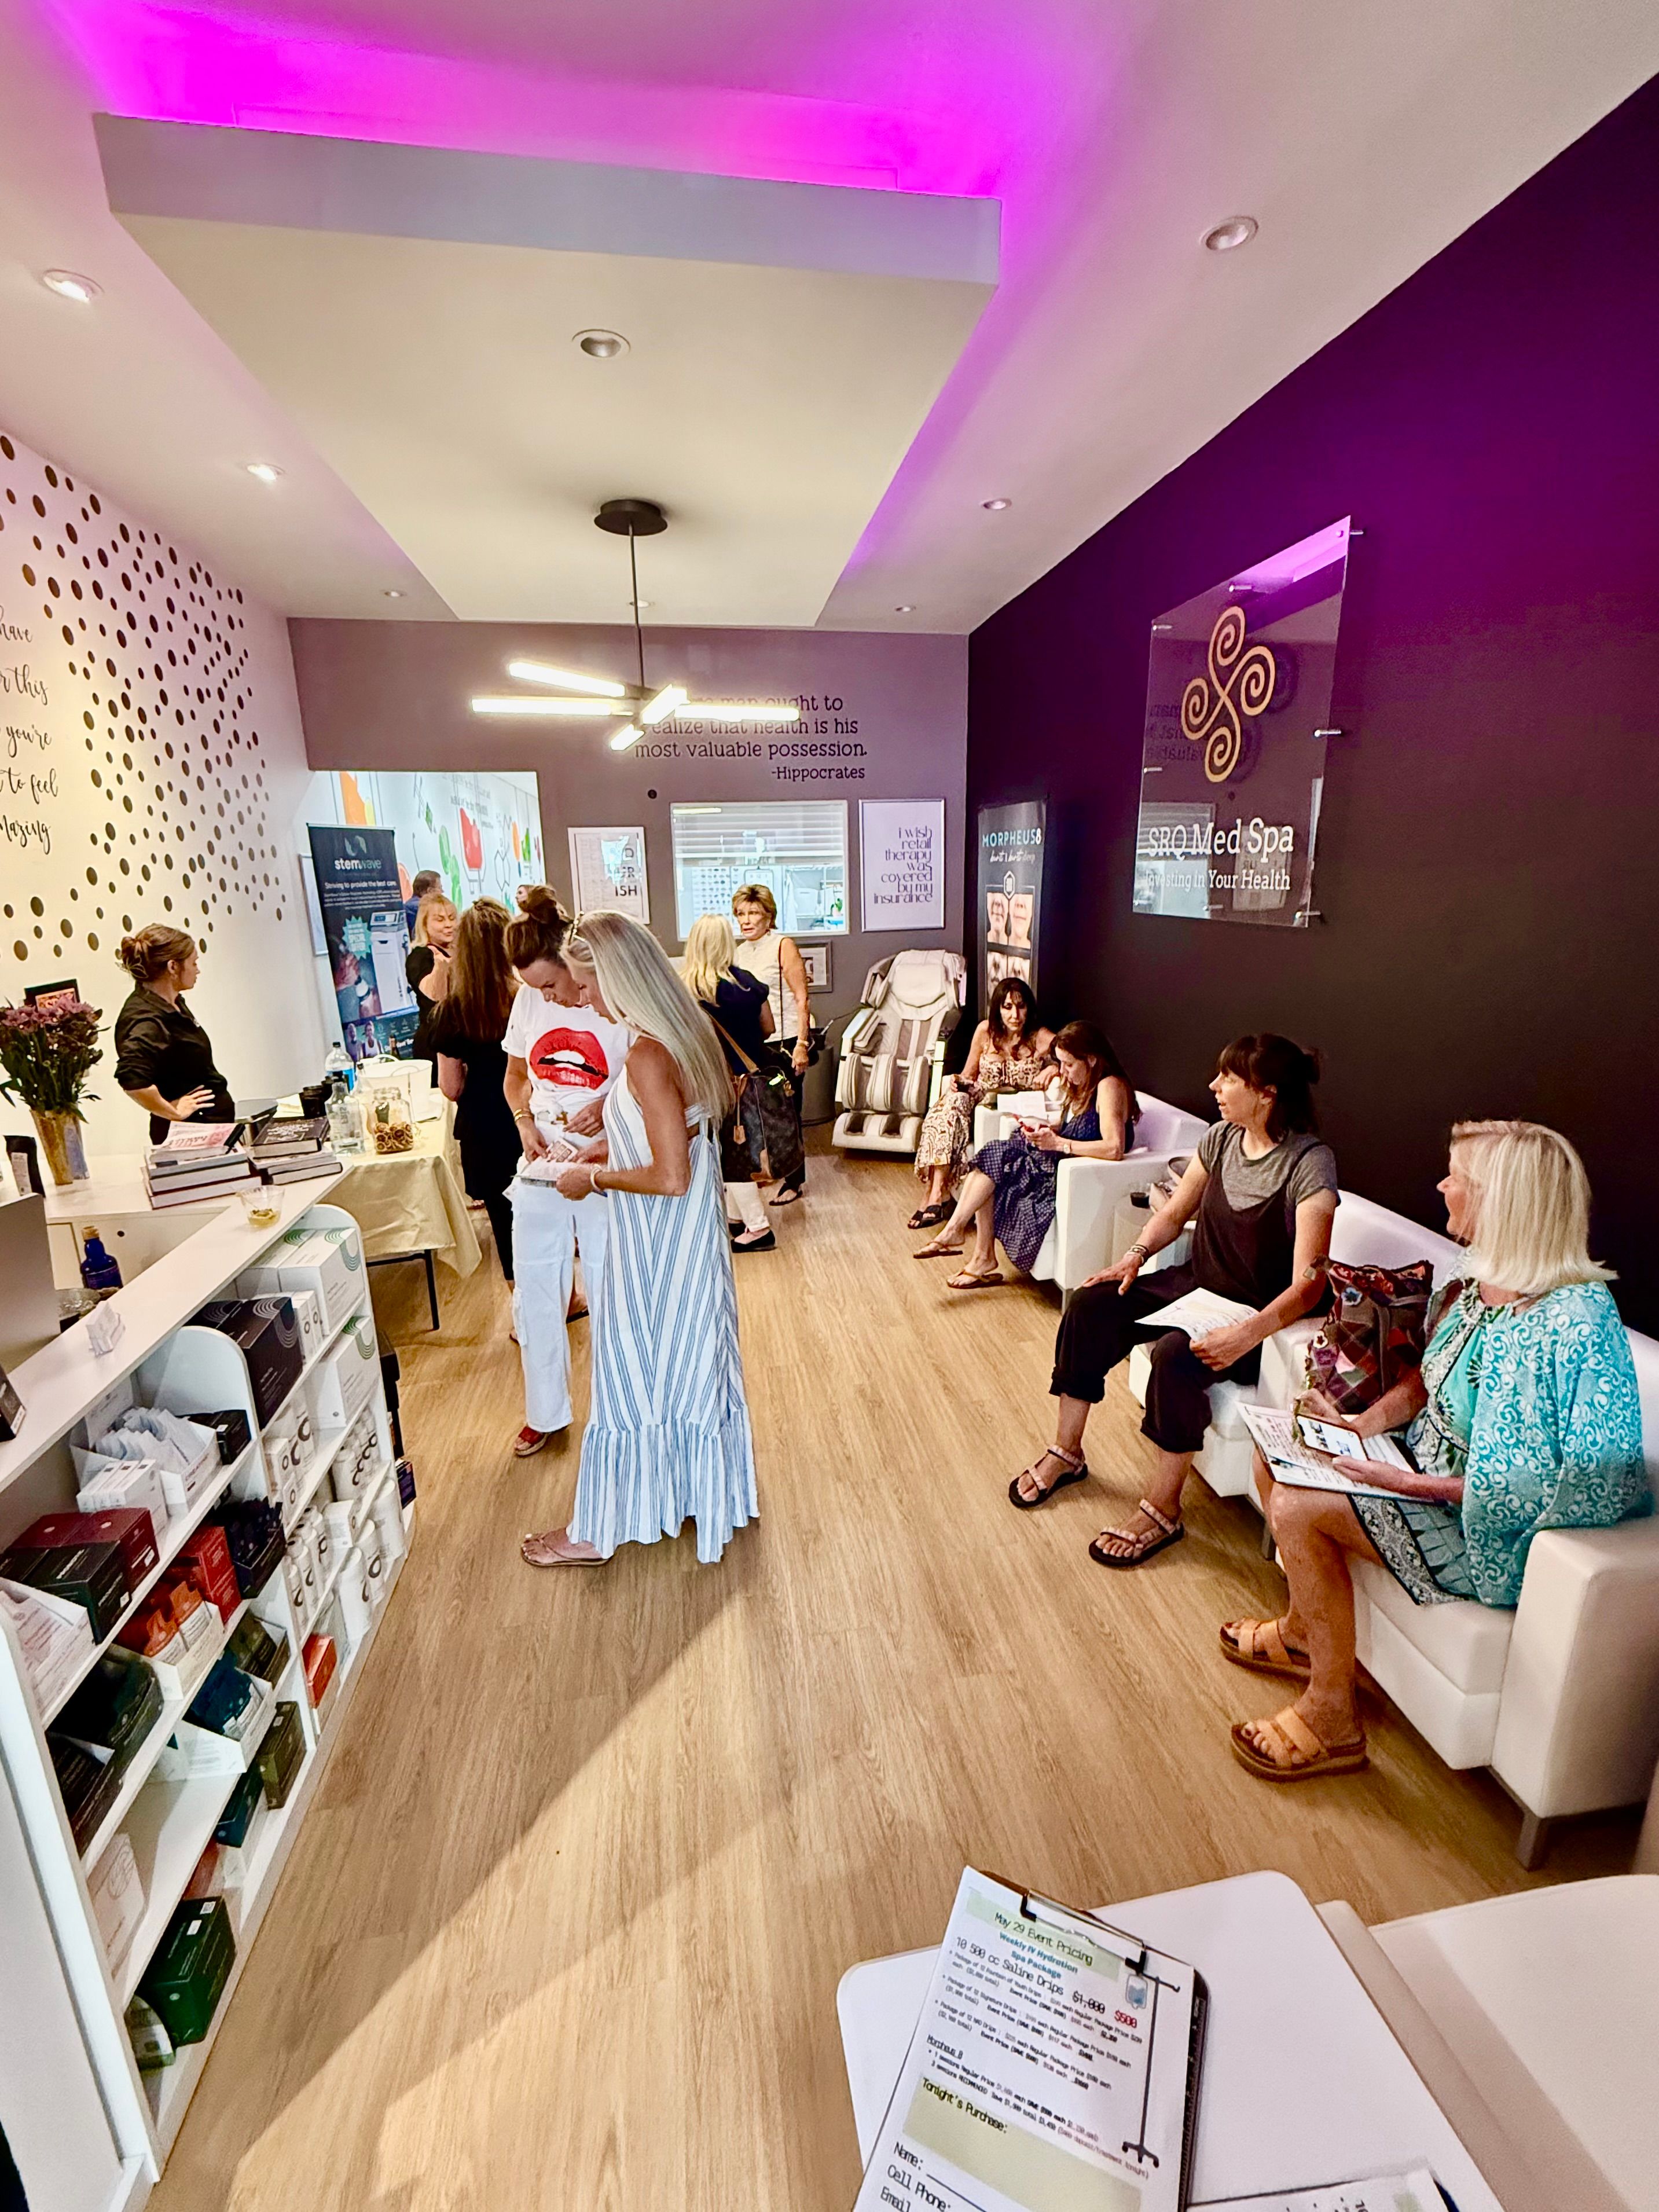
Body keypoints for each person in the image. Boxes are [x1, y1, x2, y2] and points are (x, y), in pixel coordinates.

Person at [1224, 1120, 1650, 1781]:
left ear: (1502, 1200)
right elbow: (1426, 1377)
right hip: (1415, 1464)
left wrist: (1407, 1486)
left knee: (1300, 1507)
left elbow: (1588, 1481)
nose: (1442, 1185)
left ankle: (1333, 1716)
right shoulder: (1478, 1273)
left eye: (1458, 1178)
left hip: (1481, 1525)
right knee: (1276, 1448)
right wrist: (1361, 1423)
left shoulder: (1579, 1322)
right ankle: (1303, 1630)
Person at [1007, 1034, 1338, 1569]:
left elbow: (1310, 1284)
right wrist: (1134, 1255)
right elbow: (1174, 1212)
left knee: (1175, 1356)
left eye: (1229, 1078)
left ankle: (1163, 1509)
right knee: (1091, 1304)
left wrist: (1248, 1332)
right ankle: (1067, 1453)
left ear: (1268, 1094)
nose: (1215, 1086)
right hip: (1196, 1285)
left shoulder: (1310, 1163)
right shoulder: (1223, 1138)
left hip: (1254, 1316)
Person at [520, 911, 758, 1569]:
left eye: (585, 985)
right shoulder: (672, 1036)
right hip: (683, 1248)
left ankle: (598, 1530)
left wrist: (590, 1175)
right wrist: (607, 1132)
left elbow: (670, 1174)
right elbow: (675, 1133)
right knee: (679, 1368)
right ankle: (686, 1493)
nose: (583, 999)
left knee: (627, 1376)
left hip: (654, 1245)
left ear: (614, 975)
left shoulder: (649, 1051)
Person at [502, 887, 633, 1457]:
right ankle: (545, 1411)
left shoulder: (613, 1001)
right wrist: (524, 1120)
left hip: (607, 1167)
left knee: (610, 1288)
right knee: (535, 1290)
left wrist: (606, 1111)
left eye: (552, 984)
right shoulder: (529, 1002)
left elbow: (650, 1084)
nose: (548, 997)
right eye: (535, 990)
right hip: (541, 1169)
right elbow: (513, 1078)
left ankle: (616, 1409)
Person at [913, 1020, 1135, 1290]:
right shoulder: (1084, 1085)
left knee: (997, 1159)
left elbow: (1114, 1148)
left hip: (1067, 1172)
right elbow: (1078, 1129)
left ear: (1090, 1059)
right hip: (1055, 1161)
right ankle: (970, 1246)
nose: (1063, 1072)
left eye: (1068, 1064)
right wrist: (1044, 1128)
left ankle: (965, 1242)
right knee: (994, 1156)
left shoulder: (1109, 1086)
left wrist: (1059, 1143)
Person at [909, 978, 1056, 1228]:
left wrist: (1053, 1068)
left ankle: (933, 1195)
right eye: (1007, 1007)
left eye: (1021, 1007)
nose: (1015, 1014)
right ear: (998, 1008)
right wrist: (958, 1082)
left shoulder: (1039, 1037)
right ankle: (936, 1192)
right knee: (951, 1103)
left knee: (950, 1109)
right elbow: (969, 1073)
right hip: (979, 1098)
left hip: (1006, 1110)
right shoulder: (985, 1031)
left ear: (1029, 1008)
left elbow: (1074, 1054)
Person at [431, 900, 520, 1284]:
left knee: (504, 1221)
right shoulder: (526, 998)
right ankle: (565, 1296)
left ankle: (524, 1310)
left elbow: (450, 1087)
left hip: (483, 1129)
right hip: (527, 1120)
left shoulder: (451, 1012)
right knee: (548, 1216)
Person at [682, 913, 778, 1253]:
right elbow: (768, 1029)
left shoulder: (688, 990)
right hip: (751, 1082)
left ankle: (758, 1227)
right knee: (739, 1150)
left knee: (731, 1157)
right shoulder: (749, 984)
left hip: (712, 1085)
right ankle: (737, 1220)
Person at [112, 927, 236, 1143]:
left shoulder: (173, 1003)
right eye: (194, 963)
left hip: (209, 1129)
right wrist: (173, 1112)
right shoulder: (148, 1019)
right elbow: (132, 1079)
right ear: (173, 967)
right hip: (190, 1135)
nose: (198, 970)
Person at [731, 883, 811, 1204]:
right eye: (741, 914)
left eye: (753, 913)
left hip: (788, 1042)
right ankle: (772, 1169)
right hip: (759, 1045)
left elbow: (802, 998)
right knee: (761, 1110)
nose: (746, 920)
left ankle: (794, 1180)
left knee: (787, 1109)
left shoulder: (783, 946)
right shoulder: (739, 952)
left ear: (769, 916)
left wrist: (802, 1044)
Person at [406, 893, 457, 1064]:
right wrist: (441, 968)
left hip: (463, 1041)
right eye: (440, 920)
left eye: (451, 918)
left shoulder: (464, 952)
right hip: (435, 1045)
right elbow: (434, 993)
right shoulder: (420, 957)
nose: (448, 925)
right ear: (425, 925)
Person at [404, 867, 440, 939]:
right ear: (430, 891)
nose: (442, 892)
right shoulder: (422, 908)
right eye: (440, 888)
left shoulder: (409, 906)